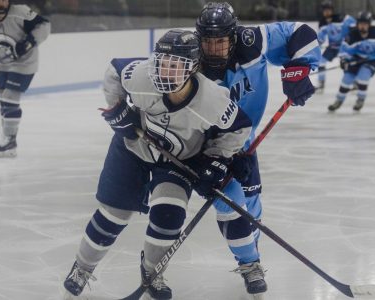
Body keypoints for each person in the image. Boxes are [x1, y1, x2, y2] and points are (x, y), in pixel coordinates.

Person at [63, 29, 252, 299]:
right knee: (112, 216)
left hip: (178, 161)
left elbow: (240, 127)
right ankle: (81, 268)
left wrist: (216, 157)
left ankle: (151, 271)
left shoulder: (211, 99)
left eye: (175, 65)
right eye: (163, 63)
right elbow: (115, 70)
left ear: (193, 68)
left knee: (168, 218)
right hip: (132, 149)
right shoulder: (141, 75)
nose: (166, 71)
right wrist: (118, 110)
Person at [195, 2, 320, 297]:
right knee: (229, 205)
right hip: (206, 148)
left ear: (234, 37)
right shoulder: (191, 62)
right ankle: (250, 262)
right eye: (208, 41)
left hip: (245, 141)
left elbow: (301, 32)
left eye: (221, 41)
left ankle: (250, 257)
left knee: (250, 203)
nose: (214, 49)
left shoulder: (253, 42)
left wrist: (298, 69)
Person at [0, 0, 50, 157]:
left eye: (4, 0)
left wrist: (28, 43)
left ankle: (9, 139)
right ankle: (8, 140)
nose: (0, 3)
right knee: (3, 99)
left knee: (9, 98)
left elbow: (44, 25)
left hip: (25, 63)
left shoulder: (20, 12)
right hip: (4, 65)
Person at [328, 11, 375, 112]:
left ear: (369, 24)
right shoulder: (352, 36)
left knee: (363, 76)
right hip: (356, 59)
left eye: (365, 24)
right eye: (360, 24)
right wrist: (344, 60)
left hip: (373, 59)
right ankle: (338, 101)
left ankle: (360, 99)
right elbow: (344, 50)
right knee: (346, 79)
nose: (362, 26)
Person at [315, 0, 356, 92]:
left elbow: (353, 24)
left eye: (328, 9)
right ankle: (321, 84)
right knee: (321, 61)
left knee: (346, 64)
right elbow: (321, 38)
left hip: (344, 47)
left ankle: (354, 83)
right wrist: (316, 46)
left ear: (332, 10)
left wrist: (352, 36)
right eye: (325, 10)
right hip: (332, 47)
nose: (327, 12)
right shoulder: (322, 22)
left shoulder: (342, 18)